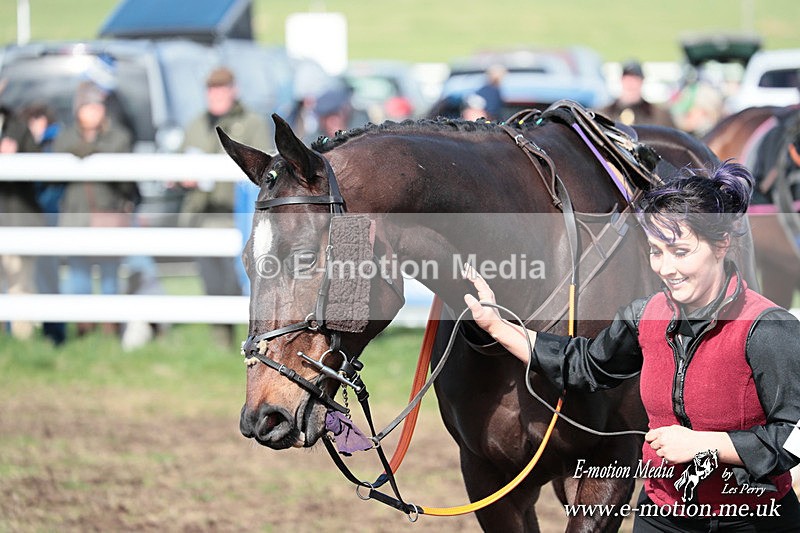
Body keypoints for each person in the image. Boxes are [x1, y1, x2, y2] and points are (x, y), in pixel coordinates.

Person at [464, 161, 800, 531]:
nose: (666, 268)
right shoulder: (644, 316)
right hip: (661, 515)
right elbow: (584, 365)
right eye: (657, 252)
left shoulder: (770, 328)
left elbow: (795, 439)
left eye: (681, 251)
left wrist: (707, 445)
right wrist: (498, 326)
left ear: (721, 246)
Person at [180, 66, 271, 346]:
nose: (215, 95)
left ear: (233, 90)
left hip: (238, 217)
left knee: (238, 282)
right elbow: (182, 159)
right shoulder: (196, 124)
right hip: (202, 215)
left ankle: (251, 339)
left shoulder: (252, 123)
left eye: (221, 88)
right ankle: (221, 342)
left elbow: (266, 168)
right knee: (212, 282)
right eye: (211, 89)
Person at [54, 81, 136, 337]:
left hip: (108, 216)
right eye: (87, 106)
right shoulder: (66, 136)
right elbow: (57, 156)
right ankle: (84, 330)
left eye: (97, 106)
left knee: (111, 276)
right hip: (76, 217)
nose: (93, 111)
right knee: (78, 277)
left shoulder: (118, 135)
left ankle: (111, 330)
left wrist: (87, 152)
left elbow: (122, 169)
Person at [20, 102, 66, 345]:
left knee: (48, 279)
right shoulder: (22, 144)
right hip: (24, 219)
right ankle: (18, 335)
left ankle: (55, 335)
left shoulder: (54, 145)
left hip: (47, 219)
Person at [0, 102, 44, 340]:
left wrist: (15, 158)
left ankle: (22, 342)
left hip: (16, 218)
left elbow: (38, 170)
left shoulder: (18, 127)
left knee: (21, 285)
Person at [600, 60, 675, 128]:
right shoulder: (603, 114)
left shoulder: (660, 116)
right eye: (628, 79)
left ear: (642, 81)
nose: (631, 84)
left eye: (635, 80)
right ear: (621, 80)